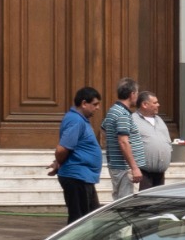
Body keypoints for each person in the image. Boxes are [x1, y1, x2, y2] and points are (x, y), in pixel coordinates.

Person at [48, 86, 103, 223]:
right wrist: (59, 161)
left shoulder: (80, 120)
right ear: (84, 103)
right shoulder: (76, 120)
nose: (98, 108)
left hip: (83, 177)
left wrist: (58, 162)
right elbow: (62, 149)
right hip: (77, 177)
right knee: (79, 221)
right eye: (95, 104)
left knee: (89, 217)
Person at [101, 77, 143, 200]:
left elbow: (103, 129)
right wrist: (134, 167)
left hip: (118, 165)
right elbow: (123, 142)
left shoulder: (113, 110)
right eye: (137, 93)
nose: (137, 96)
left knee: (119, 200)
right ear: (132, 94)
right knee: (125, 202)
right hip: (124, 168)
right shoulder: (123, 114)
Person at [132, 91, 173, 189]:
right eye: (155, 103)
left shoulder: (159, 120)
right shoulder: (133, 120)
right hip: (143, 173)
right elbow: (125, 143)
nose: (158, 105)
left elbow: (167, 140)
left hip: (160, 173)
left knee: (158, 198)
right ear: (144, 104)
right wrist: (134, 168)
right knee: (145, 198)